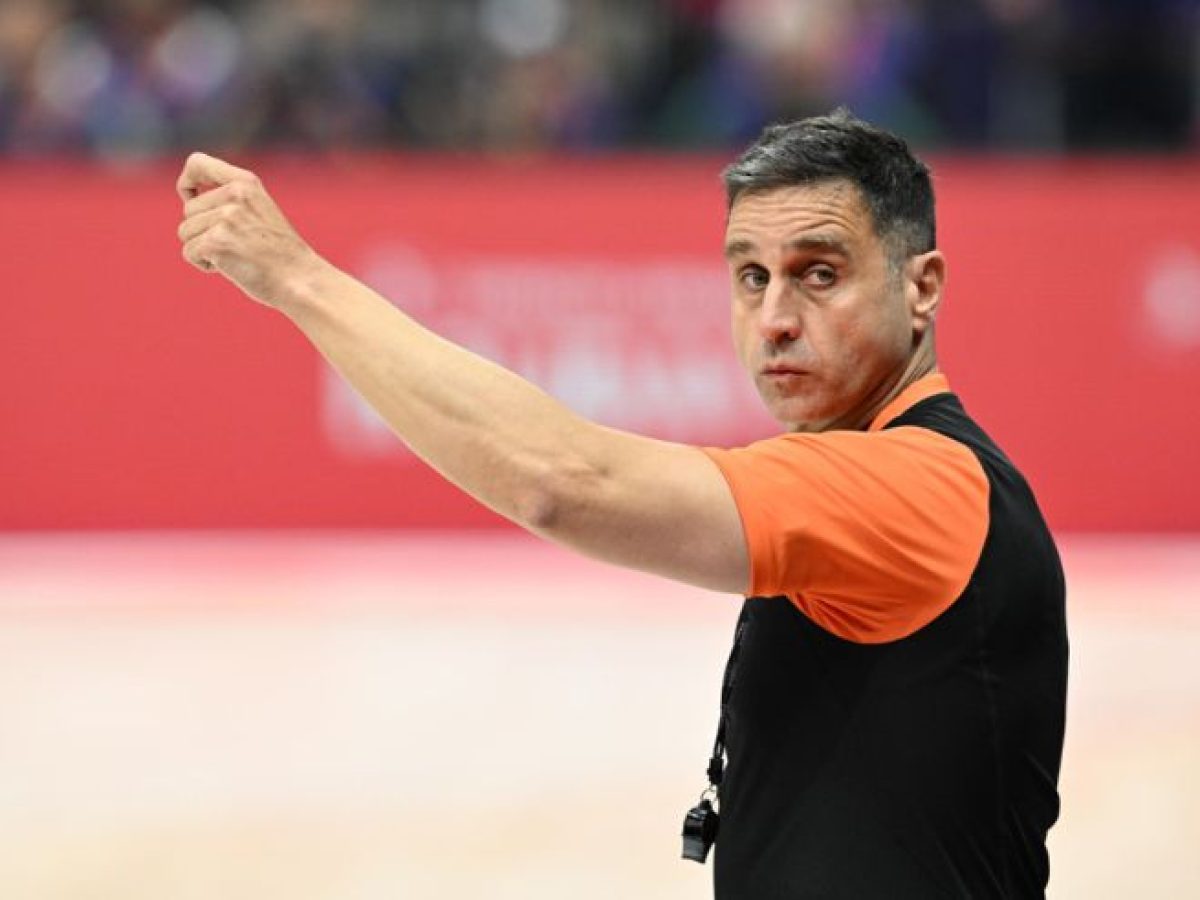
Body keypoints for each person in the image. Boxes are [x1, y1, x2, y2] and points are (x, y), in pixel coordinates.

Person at [175, 108, 1068, 899]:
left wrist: (298, 278)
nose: (774, 318)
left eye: (820, 274)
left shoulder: (921, 485)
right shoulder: (896, 469)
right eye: (752, 277)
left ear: (921, 286)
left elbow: (563, 481)